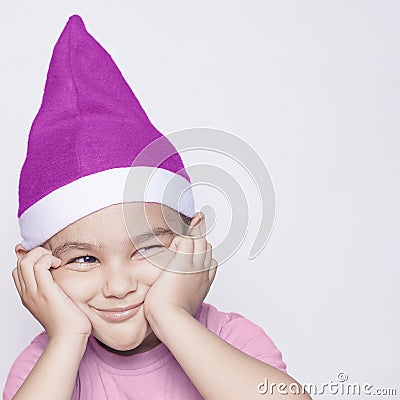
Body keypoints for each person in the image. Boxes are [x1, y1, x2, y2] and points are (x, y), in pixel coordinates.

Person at [3, 15, 311, 400]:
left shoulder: (231, 339)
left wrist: (171, 317)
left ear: (192, 239)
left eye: (147, 248)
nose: (119, 286)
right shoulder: (43, 366)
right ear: (34, 267)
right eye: (83, 259)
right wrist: (66, 338)